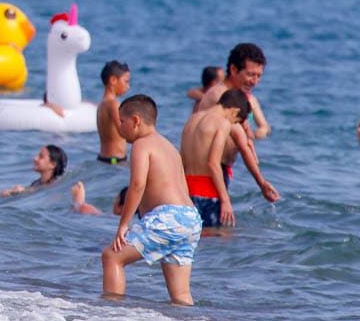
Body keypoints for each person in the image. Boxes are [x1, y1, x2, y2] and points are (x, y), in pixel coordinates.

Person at [101, 94, 202, 306]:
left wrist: (123, 225)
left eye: (122, 121)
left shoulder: (141, 144)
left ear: (136, 121)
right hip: (191, 219)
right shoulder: (169, 147)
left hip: (168, 217)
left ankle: (108, 318)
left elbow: (137, 185)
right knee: (181, 294)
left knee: (112, 257)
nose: (119, 127)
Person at [180, 88, 253, 230]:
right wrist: (225, 201)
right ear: (234, 111)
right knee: (216, 240)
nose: (233, 124)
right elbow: (213, 163)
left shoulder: (192, 119)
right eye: (236, 121)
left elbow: (181, 159)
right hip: (208, 193)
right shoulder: (223, 123)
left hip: (186, 190)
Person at [197, 43, 271, 138]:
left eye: (259, 76)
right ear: (233, 70)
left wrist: (260, 132)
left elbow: (265, 127)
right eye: (250, 75)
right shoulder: (219, 95)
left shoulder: (249, 98)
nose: (255, 82)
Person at [96, 61, 132, 164]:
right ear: (113, 80)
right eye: (126, 81)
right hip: (114, 161)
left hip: (104, 158)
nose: (128, 86)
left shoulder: (102, 103)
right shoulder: (114, 104)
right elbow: (123, 131)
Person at [0, 145, 67, 197]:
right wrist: (10, 193)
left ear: (52, 164)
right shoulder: (36, 183)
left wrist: (25, 190)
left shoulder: (59, 183)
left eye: (41, 157)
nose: (34, 158)